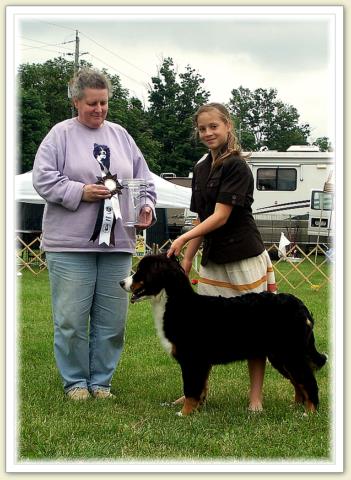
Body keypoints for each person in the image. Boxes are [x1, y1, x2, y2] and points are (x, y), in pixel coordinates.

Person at [33, 68, 156, 401]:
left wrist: (146, 206)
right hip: (70, 246)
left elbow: (144, 180)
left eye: (104, 103)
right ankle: (75, 382)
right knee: (71, 320)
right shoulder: (59, 135)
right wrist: (80, 192)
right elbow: (42, 179)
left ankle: (102, 381)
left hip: (118, 245)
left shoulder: (121, 136)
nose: (99, 110)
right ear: (76, 101)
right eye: (92, 104)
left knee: (112, 321)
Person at [167, 102, 277, 411]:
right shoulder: (201, 168)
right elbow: (201, 218)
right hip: (213, 260)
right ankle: (197, 392)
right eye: (202, 128)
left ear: (227, 126)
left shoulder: (237, 166)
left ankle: (255, 397)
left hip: (243, 255)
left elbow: (220, 216)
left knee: (256, 330)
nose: (207, 133)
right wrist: (188, 259)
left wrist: (185, 237)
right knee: (202, 332)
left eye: (213, 126)